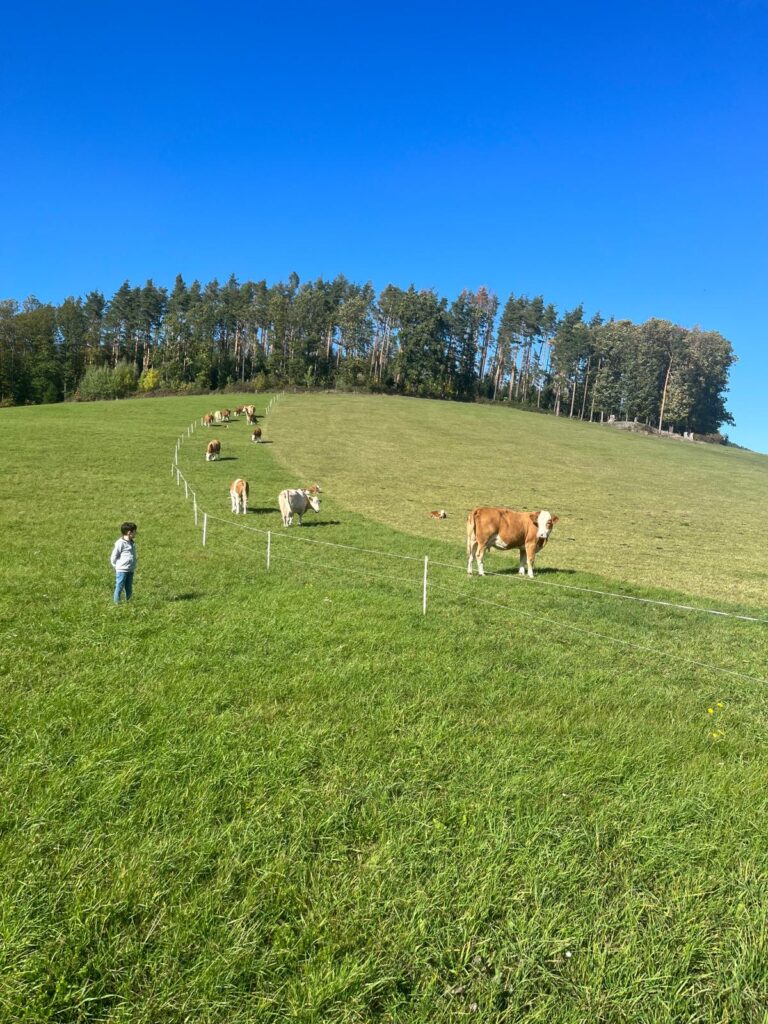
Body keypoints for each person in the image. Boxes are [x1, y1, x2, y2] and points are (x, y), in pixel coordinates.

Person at [110, 521, 138, 603]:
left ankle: (128, 601)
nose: (136, 533)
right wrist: (116, 566)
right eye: (135, 531)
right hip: (122, 569)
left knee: (128, 587)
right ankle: (116, 603)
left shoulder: (132, 542)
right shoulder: (120, 543)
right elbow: (114, 556)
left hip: (130, 569)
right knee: (119, 586)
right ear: (129, 532)